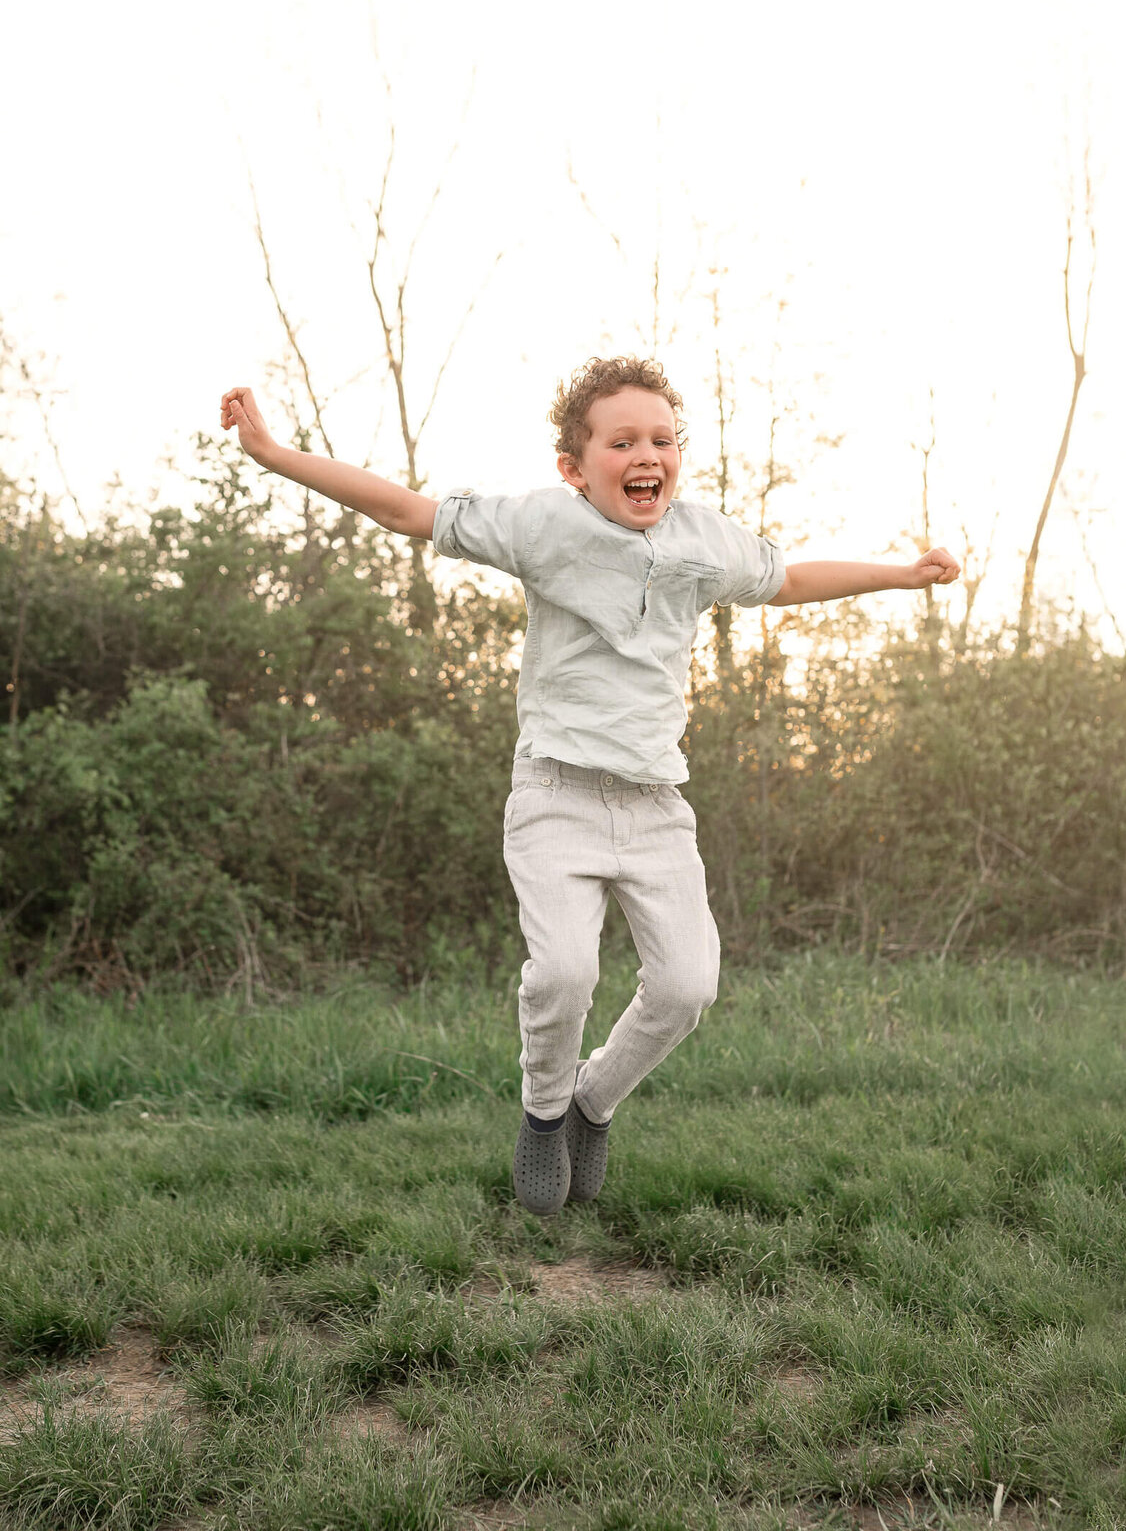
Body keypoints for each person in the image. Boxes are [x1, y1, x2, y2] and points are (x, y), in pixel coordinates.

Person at [221, 355, 959, 1215]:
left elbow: (789, 582)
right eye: (622, 442)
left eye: (662, 440)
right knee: (564, 973)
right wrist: (275, 454)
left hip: (655, 807)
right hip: (555, 796)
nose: (647, 454)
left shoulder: (706, 540)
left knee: (688, 987)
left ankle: (591, 1102)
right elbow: (404, 509)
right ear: (576, 467)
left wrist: (902, 573)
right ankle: (542, 1115)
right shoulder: (544, 527)